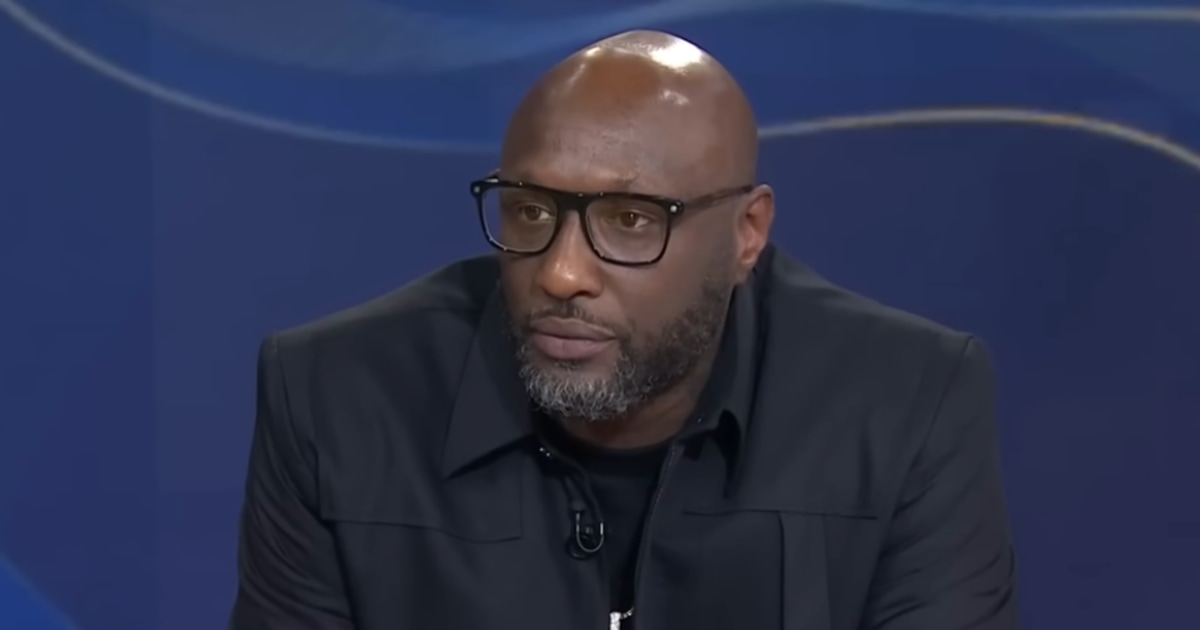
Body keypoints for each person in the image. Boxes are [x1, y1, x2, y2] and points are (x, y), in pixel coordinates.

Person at [229, 30, 1018, 630]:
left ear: (746, 235)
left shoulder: (906, 402)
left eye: (632, 219)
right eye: (530, 210)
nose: (561, 272)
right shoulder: (338, 398)